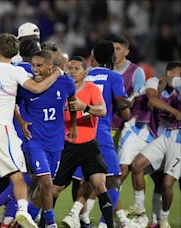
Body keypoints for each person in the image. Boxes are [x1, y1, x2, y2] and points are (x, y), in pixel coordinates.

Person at [0, 33, 64, 228]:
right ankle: (22, 212)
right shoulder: (15, 72)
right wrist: (56, 73)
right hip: (2, 129)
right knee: (18, 175)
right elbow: (37, 88)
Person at [63, 40, 131, 228]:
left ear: (92, 59)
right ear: (112, 58)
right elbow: (122, 105)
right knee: (114, 179)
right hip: (100, 131)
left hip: (77, 131)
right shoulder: (114, 77)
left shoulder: (83, 76)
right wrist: (132, 105)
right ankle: (99, 222)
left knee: (84, 178)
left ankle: (76, 216)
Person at [16, 50, 77, 228]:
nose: (34, 69)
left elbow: (72, 102)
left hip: (56, 142)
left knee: (45, 187)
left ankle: (27, 218)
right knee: (45, 181)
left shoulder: (66, 82)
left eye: (39, 66)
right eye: (33, 65)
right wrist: (21, 122)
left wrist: (73, 125)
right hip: (35, 141)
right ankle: (50, 223)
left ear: (51, 67)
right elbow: (12, 104)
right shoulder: (26, 86)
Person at [49, 56, 112, 228]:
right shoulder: (60, 88)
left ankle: (109, 224)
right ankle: (46, 223)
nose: (72, 71)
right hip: (66, 146)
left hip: (89, 146)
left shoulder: (91, 89)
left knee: (100, 184)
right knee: (54, 190)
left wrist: (84, 107)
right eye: (70, 68)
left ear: (85, 72)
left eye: (76, 68)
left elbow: (103, 110)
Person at [131, 61, 181, 228]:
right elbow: (153, 100)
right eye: (178, 72)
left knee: (167, 184)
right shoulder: (160, 81)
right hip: (164, 135)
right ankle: (140, 212)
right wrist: (176, 112)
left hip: (179, 140)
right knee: (136, 165)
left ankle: (163, 220)